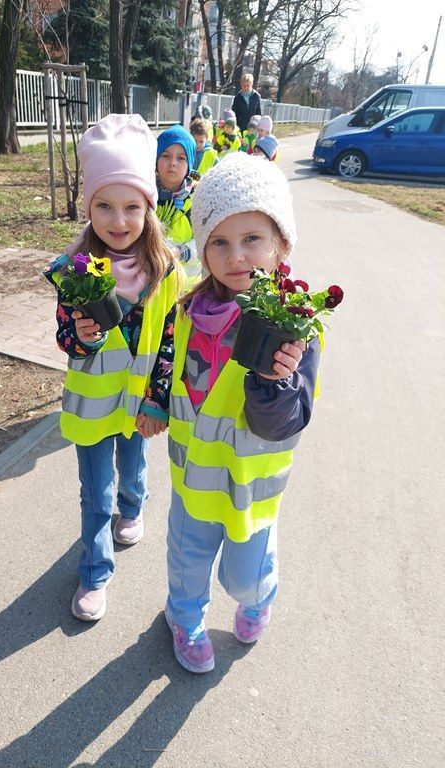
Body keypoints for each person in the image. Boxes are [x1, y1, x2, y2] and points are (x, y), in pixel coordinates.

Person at [164, 154, 321, 673]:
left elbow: (285, 421)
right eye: (219, 242)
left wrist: (274, 384)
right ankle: (183, 618)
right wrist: (152, 403)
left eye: (252, 238)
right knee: (187, 560)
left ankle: (258, 600)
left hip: (250, 485)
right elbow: (167, 369)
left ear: (281, 244)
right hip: (193, 476)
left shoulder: (294, 328)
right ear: (204, 247)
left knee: (245, 575)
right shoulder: (188, 312)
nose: (236, 256)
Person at [43, 114, 182, 623]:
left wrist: (157, 400)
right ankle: (95, 572)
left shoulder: (165, 272)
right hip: (92, 407)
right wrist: (79, 339)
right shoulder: (72, 270)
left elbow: (169, 342)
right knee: (95, 493)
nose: (118, 221)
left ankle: (135, 504)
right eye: (104, 205)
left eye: (131, 207)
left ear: (149, 207)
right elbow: (64, 337)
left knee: (133, 464)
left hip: (138, 401)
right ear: (88, 207)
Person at [156, 124, 202, 286]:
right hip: (151, 287)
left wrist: (179, 252)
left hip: (186, 288)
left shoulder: (198, 199)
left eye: (181, 158)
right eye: (165, 155)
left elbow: (208, 241)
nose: (172, 163)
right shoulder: (145, 196)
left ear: (190, 163)